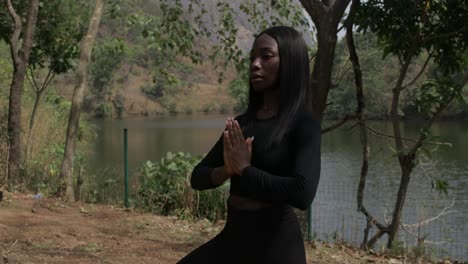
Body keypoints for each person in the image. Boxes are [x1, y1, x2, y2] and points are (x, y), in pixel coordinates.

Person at [178, 26, 321, 264]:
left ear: (290, 61)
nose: (255, 64)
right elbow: (197, 177)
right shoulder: (242, 124)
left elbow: (302, 193)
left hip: (276, 248)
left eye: (266, 56)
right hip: (233, 239)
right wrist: (226, 170)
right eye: (253, 57)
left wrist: (245, 169)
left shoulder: (303, 125)